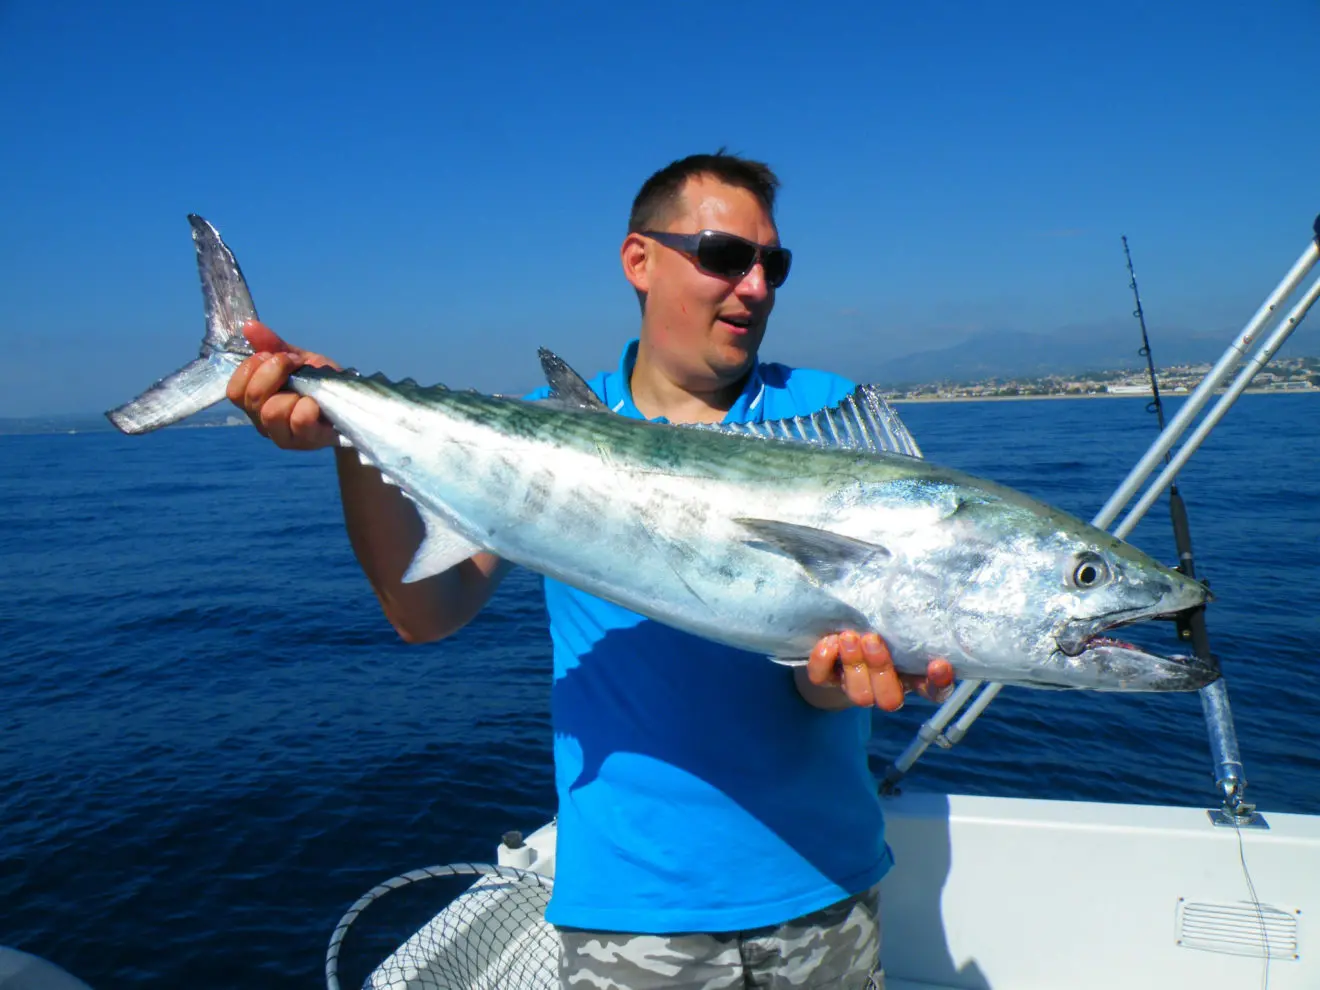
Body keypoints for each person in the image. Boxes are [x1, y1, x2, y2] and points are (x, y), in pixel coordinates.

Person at [228, 152, 953, 990]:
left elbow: (815, 681)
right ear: (638, 260)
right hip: (632, 913)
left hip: (824, 887)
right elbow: (426, 613)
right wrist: (347, 439)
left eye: (773, 265)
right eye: (724, 257)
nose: (754, 287)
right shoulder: (534, 440)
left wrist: (845, 677)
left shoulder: (830, 423)